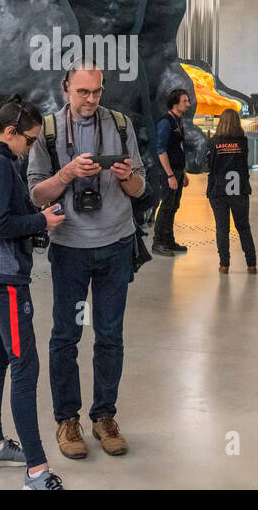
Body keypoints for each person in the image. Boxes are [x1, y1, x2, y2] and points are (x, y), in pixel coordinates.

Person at [28, 64, 146, 460]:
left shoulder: (121, 124)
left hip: (115, 244)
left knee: (110, 336)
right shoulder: (47, 130)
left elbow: (139, 187)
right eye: (82, 92)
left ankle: (104, 416)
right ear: (65, 89)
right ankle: (67, 420)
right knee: (66, 337)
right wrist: (66, 173)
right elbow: (36, 195)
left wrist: (127, 176)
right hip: (69, 250)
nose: (90, 99)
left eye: (95, 92)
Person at [0, 94, 66, 490]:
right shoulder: (1, 167)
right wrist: (41, 219)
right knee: (25, 367)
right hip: (6, 279)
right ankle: (37, 471)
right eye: (28, 140)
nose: (28, 149)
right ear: (10, 132)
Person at [206, 108, 257, 273]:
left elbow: (210, 165)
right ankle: (251, 264)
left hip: (219, 190)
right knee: (243, 227)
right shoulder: (243, 142)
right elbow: (243, 164)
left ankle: (224, 264)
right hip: (239, 190)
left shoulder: (214, 142)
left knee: (222, 228)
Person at [151, 88, 191, 257]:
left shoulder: (178, 120)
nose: (188, 104)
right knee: (166, 206)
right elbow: (161, 150)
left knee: (174, 206)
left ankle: (169, 240)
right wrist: (170, 175)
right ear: (175, 103)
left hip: (177, 170)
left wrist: (183, 172)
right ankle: (158, 242)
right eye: (185, 101)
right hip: (168, 172)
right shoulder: (166, 122)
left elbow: (178, 148)